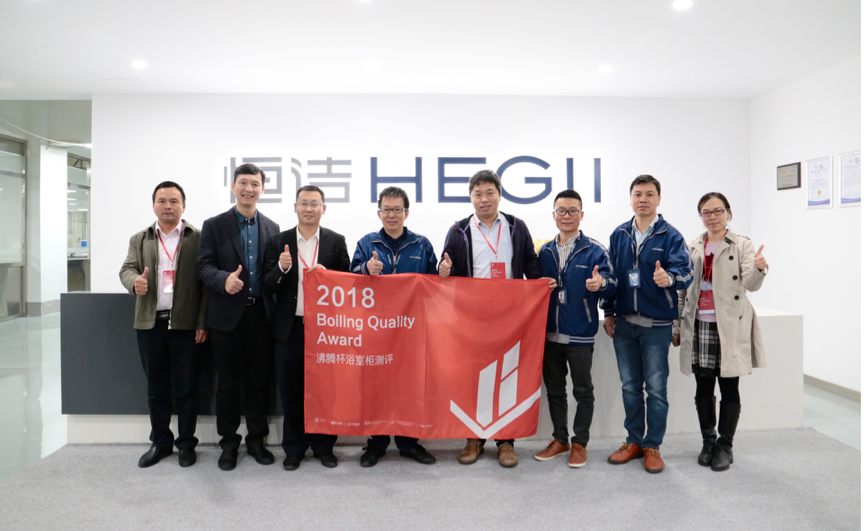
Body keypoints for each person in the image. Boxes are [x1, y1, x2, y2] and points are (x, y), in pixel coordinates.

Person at [439, 169, 556, 468]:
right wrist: (444, 269)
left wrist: (540, 283)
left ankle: (505, 440)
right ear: (471, 198)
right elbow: (446, 266)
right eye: (477, 194)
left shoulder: (516, 226)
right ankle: (473, 438)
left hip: (510, 315)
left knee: (507, 374)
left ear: (499, 195)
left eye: (489, 192)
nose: (484, 199)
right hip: (471, 316)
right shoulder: (459, 230)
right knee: (471, 376)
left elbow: (529, 260)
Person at [601, 174, 693, 474]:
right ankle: (634, 441)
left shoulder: (671, 235)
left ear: (658, 199)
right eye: (638, 194)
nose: (643, 199)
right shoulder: (619, 234)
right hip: (625, 325)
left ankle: (653, 445)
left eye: (649, 194)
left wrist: (670, 278)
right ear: (630, 199)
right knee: (630, 387)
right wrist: (609, 311)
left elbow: (686, 272)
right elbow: (612, 278)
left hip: (657, 326)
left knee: (655, 389)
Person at [673, 192, 768, 472]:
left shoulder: (742, 245)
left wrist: (760, 269)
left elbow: (750, 284)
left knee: (729, 386)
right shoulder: (693, 246)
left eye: (718, 211)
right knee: (703, 386)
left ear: (728, 212)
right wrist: (677, 325)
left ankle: (725, 446)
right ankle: (708, 442)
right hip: (699, 324)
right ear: (700, 216)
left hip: (729, 325)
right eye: (706, 212)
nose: (712, 217)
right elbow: (683, 290)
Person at [197, 163, 280, 471]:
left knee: (259, 382)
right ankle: (229, 443)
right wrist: (223, 280)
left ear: (262, 189)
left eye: (255, 184)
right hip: (226, 316)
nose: (249, 189)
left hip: (262, 315)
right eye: (243, 183)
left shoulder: (272, 227)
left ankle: (257, 441)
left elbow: (272, 273)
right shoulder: (214, 225)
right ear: (233, 186)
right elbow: (203, 266)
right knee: (228, 384)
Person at [120, 181, 208, 468]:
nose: (168, 206)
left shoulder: (198, 238)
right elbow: (127, 269)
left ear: (184, 206)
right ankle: (160, 443)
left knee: (187, 388)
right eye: (162, 201)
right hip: (150, 325)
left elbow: (206, 284)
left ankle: (186, 444)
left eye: (174, 201)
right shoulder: (140, 239)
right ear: (153, 205)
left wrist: (202, 322)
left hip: (186, 326)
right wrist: (135, 282)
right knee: (156, 389)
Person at [262, 185, 350, 471]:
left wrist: (329, 276)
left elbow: (349, 284)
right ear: (295, 207)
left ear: (324, 208)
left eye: (314, 203)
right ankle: (294, 448)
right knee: (291, 391)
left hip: (326, 330)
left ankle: (324, 447)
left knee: (325, 390)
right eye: (303, 203)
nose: (309, 208)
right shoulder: (279, 241)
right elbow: (267, 285)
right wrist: (282, 268)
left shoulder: (336, 241)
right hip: (290, 330)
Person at [350, 186, 438, 468]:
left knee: (409, 386)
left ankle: (408, 443)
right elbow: (350, 277)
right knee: (377, 386)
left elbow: (435, 284)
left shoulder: (422, 244)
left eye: (397, 209)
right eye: (386, 209)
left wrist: (445, 273)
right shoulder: (367, 243)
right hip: (376, 328)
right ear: (379, 213)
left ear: (406, 213)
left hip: (412, 329)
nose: (392, 215)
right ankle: (376, 444)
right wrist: (366, 269)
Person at [535, 189, 617, 468]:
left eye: (572, 211)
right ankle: (560, 440)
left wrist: (601, 284)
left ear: (581, 215)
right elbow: (532, 284)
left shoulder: (595, 249)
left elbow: (613, 283)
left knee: (583, 391)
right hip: (549, 334)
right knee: (555, 391)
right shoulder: (545, 250)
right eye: (561, 211)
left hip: (580, 333)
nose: (566, 216)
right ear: (554, 214)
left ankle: (579, 443)